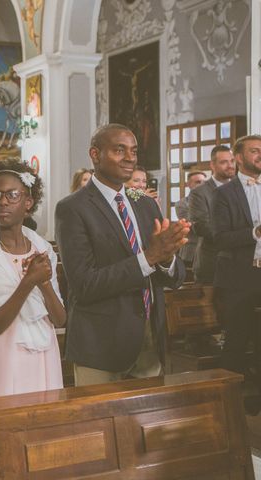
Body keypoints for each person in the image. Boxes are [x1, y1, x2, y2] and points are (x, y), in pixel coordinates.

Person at [55, 124, 188, 386]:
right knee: (100, 422)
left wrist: (167, 258)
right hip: (101, 342)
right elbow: (84, 286)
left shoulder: (146, 203)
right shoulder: (73, 208)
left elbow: (175, 277)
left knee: (147, 424)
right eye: (119, 150)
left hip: (149, 336)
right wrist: (149, 257)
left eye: (134, 151)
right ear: (95, 154)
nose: (130, 158)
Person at [0, 159, 65, 398]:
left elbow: (60, 319)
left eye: (12, 195)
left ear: (27, 202)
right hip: (5, 350)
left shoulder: (41, 247)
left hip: (43, 349)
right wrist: (29, 281)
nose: (2, 202)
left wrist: (43, 284)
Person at [213, 135, 261, 414]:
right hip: (238, 278)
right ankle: (228, 408)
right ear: (239, 158)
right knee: (236, 341)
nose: (259, 155)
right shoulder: (224, 194)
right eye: (254, 151)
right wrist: (254, 233)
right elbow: (219, 238)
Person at [188, 145, 236, 284]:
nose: (230, 165)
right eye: (224, 162)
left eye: (232, 161)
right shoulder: (199, 192)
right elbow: (201, 226)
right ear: (212, 165)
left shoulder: (240, 188)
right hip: (212, 262)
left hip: (240, 263)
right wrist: (240, 235)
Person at [175, 170, 206, 267]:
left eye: (203, 182)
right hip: (191, 252)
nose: (201, 185)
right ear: (188, 184)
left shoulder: (214, 200)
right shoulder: (181, 204)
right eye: (197, 182)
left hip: (210, 252)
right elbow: (193, 225)